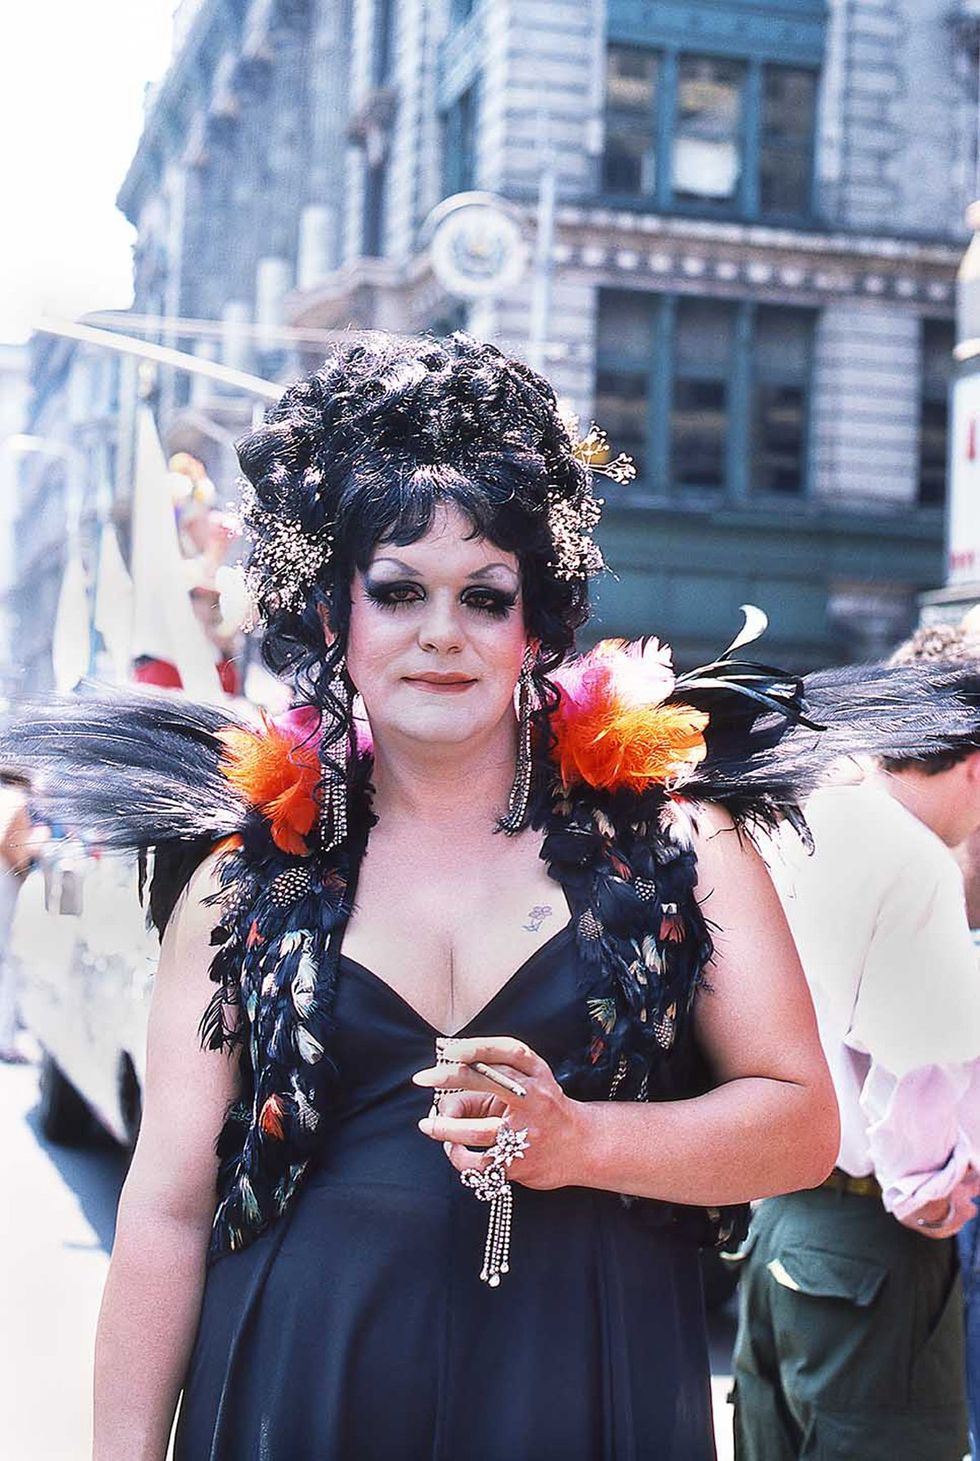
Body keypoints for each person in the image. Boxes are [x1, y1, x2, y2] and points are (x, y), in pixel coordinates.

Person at [8, 334, 977, 1461]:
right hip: (298, 1385)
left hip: (586, 1382)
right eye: (396, 590)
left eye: (483, 596)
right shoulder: (246, 876)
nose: (439, 634)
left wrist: (581, 1141)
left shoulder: (677, 846)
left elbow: (801, 1128)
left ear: (537, 621)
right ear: (333, 614)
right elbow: (169, 1208)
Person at [732, 629, 980, 1459]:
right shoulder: (914, 862)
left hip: (776, 1221)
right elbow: (920, 1082)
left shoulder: (806, 811)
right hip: (869, 1240)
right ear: (975, 764)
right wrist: (940, 1183)